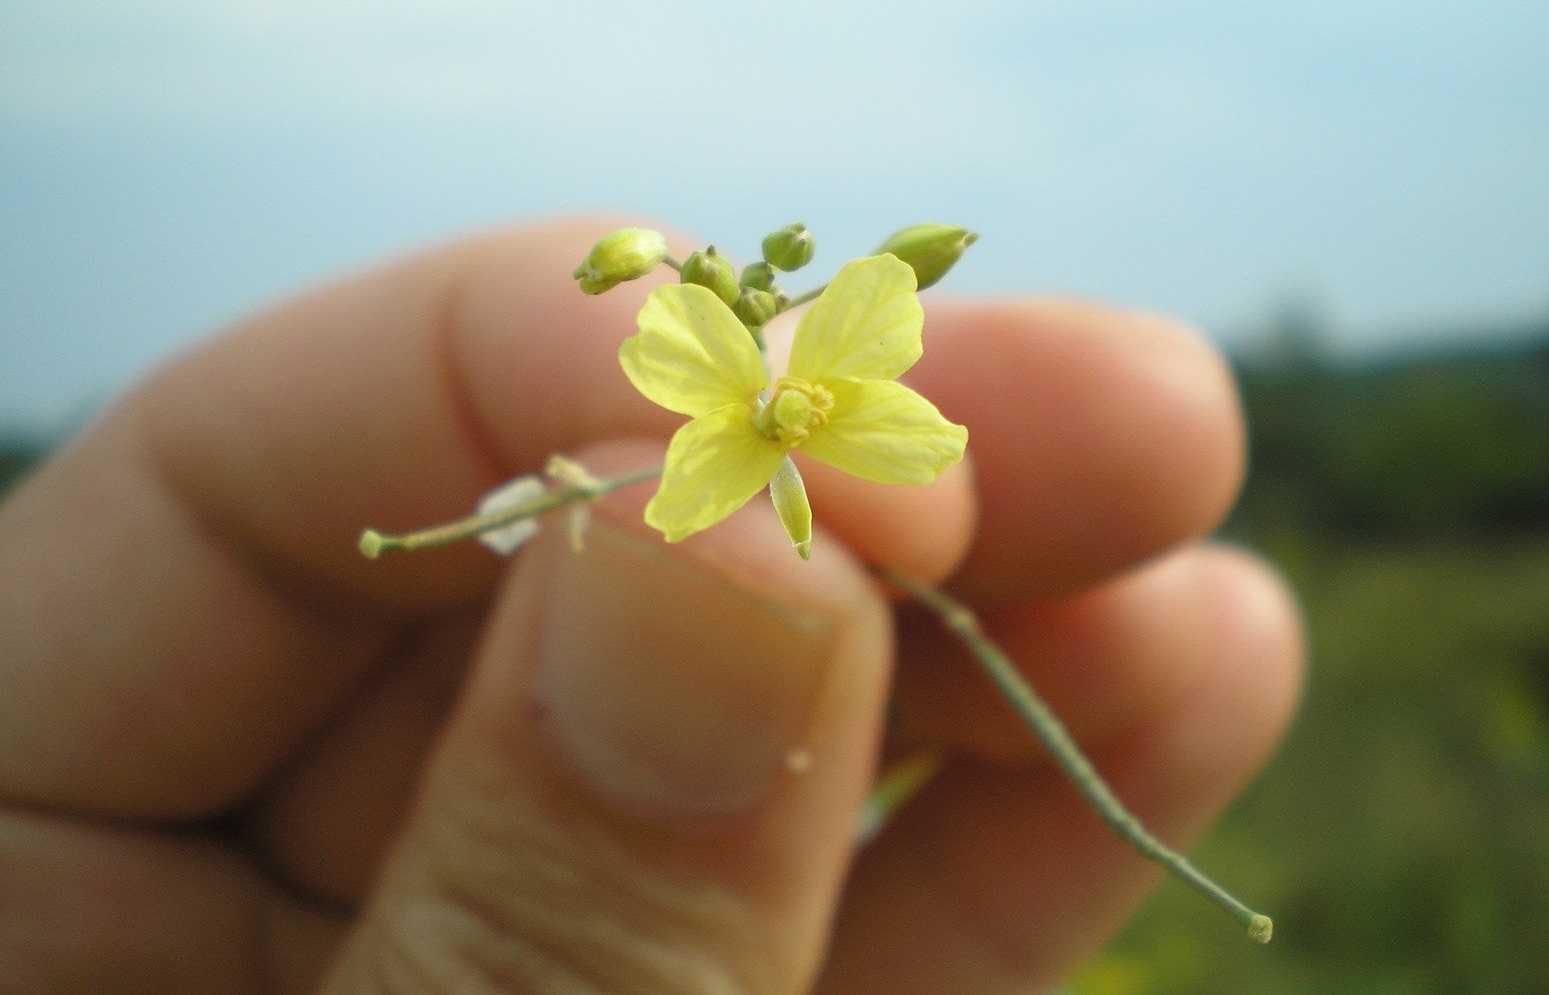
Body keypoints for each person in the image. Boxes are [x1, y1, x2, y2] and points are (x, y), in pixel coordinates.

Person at [0, 218, 1303, 992]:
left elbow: (813, 441)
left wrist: (783, 438)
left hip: (745, 486)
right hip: (705, 484)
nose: (798, 411)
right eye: (788, 404)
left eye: (805, 409)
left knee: (951, 608)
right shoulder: (715, 423)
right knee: (713, 568)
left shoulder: (818, 412)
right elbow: (689, 482)